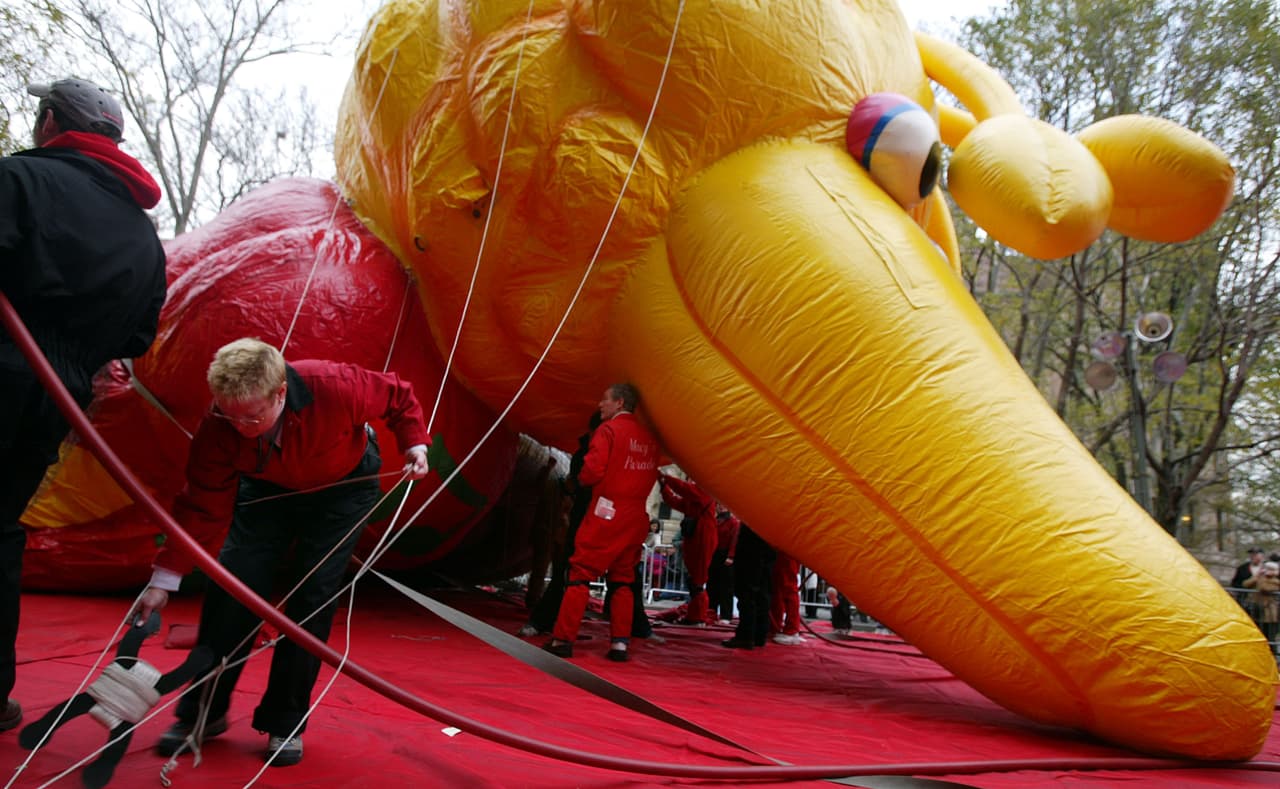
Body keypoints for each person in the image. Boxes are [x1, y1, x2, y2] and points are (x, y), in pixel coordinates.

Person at [135, 338, 430, 766]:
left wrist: (414, 444)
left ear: (281, 393)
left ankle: (284, 721)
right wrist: (164, 580)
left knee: (312, 599)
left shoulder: (334, 385)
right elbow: (201, 508)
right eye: (231, 415)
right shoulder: (218, 429)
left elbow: (399, 395)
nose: (243, 426)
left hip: (341, 491)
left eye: (254, 415)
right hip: (266, 491)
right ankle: (202, 714)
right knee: (233, 589)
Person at [1, 78, 166, 734]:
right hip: (54, 401)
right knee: (3, 530)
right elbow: (137, 338)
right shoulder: (142, 238)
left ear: (49, 121)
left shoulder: (20, 182)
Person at [544, 383, 660, 662]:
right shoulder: (649, 438)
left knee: (580, 573)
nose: (600, 405)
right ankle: (620, 643)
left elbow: (591, 472)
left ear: (619, 403)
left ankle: (563, 639)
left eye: (604, 399)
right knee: (623, 578)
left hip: (606, 512)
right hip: (636, 516)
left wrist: (579, 481)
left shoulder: (607, 431)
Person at [519, 411, 602, 636]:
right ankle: (549, 618)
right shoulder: (585, 459)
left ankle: (551, 620)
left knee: (561, 573)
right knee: (563, 574)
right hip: (562, 530)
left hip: (564, 530)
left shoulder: (580, 459)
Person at [657, 474, 719, 625]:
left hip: (702, 538)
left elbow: (684, 490)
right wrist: (664, 486)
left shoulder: (703, 493)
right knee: (693, 578)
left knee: (697, 579)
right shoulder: (694, 498)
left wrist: (666, 479)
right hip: (694, 538)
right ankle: (695, 613)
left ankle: (697, 615)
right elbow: (674, 501)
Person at [722, 520, 774, 650]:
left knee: (747, 594)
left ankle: (746, 636)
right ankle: (758, 635)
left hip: (752, 550)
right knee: (762, 593)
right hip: (767, 546)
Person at [706, 507, 739, 624]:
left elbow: (734, 539)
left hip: (725, 555)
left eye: (723, 505)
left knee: (726, 587)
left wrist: (731, 556)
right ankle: (711, 611)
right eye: (718, 505)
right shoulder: (715, 520)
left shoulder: (733, 522)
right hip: (714, 554)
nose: (720, 507)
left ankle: (726, 615)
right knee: (711, 585)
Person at [1242, 560, 1280, 653]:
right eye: (1266, 569)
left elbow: (1264, 588)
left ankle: (1272, 656)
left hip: (1269, 614)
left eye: (1270, 569)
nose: (1267, 571)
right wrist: (1256, 576)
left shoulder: (1276, 581)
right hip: (1257, 610)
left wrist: (1261, 578)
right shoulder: (1259, 578)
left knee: (1269, 637)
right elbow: (1246, 584)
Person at [769, 551, 803, 645]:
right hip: (784, 550)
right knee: (779, 589)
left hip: (786, 551)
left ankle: (791, 630)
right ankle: (776, 626)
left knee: (788, 587)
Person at [1231, 548, 1266, 622]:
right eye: (1251, 554)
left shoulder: (1268, 568)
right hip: (1246, 600)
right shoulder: (1242, 568)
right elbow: (1235, 583)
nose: (1253, 556)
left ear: (1262, 556)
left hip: (1264, 601)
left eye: (1256, 554)